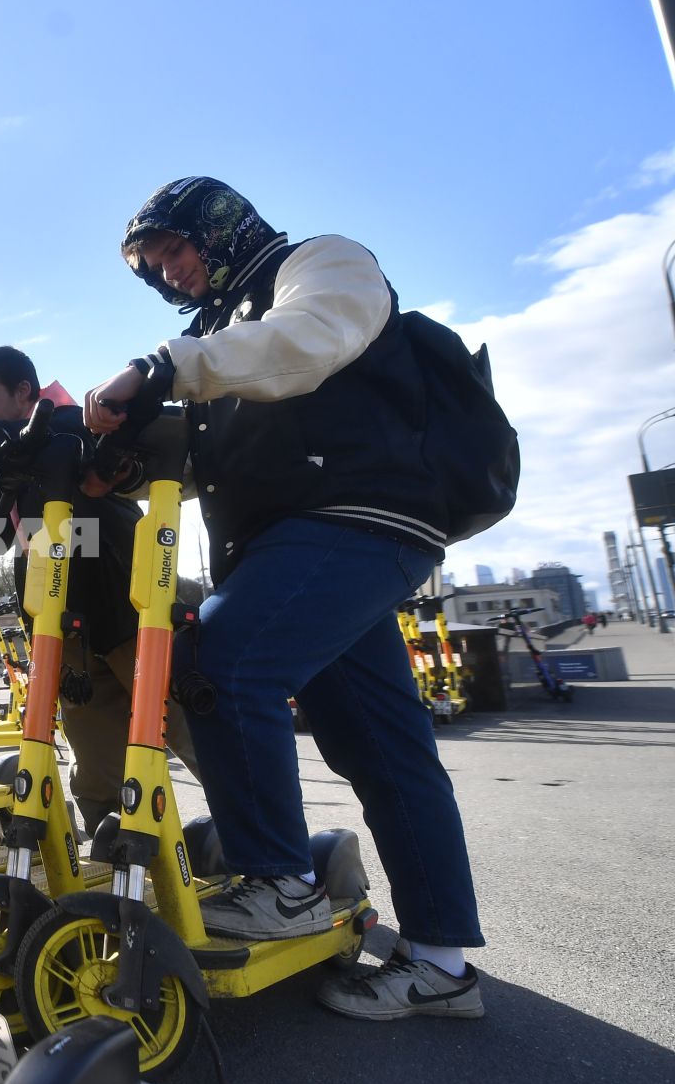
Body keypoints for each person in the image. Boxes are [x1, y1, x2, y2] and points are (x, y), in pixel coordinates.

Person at [83, 176, 485, 1020]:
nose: (172, 272)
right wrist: (122, 462)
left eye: (176, 248)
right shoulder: (217, 333)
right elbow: (219, 457)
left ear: (220, 226)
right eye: (155, 266)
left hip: (358, 518)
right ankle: (443, 965)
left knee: (216, 659)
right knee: (380, 743)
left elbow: (305, 344)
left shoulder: (321, 266)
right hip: (299, 541)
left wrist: (166, 365)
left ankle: (282, 885)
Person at [0, 345, 204, 835]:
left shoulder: (75, 424)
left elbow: (46, 442)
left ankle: (274, 860)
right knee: (97, 772)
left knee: (195, 738)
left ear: (23, 391)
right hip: (65, 630)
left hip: (129, 612)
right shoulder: (15, 459)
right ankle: (122, 871)